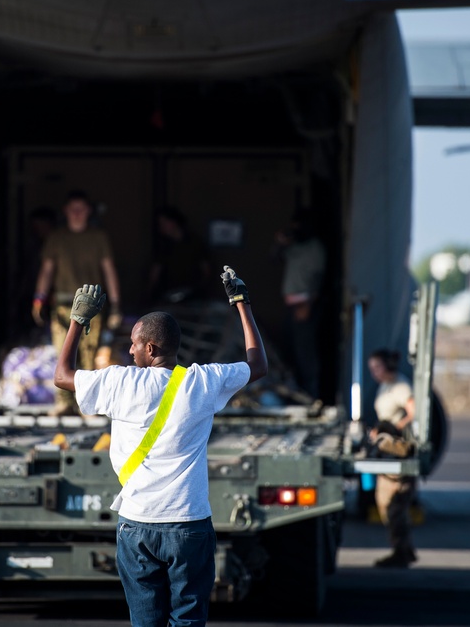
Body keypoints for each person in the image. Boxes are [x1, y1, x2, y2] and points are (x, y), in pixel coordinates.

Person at [53, 266, 267, 627]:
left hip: (137, 526)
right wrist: (241, 303)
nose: (129, 349)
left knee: (145, 621)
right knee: (188, 620)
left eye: (134, 343)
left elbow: (61, 377)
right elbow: (257, 364)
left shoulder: (119, 383)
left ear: (150, 348)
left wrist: (77, 321)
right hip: (189, 524)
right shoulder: (203, 381)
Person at [33, 190, 122, 415]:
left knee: (88, 355)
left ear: (88, 211)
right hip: (63, 305)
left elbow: (109, 270)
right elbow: (47, 270)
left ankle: (86, 405)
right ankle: (63, 402)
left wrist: (115, 305)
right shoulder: (57, 237)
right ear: (66, 211)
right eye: (73, 209)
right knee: (63, 352)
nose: (77, 214)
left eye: (81, 209)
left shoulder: (98, 237)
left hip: (92, 305)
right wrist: (39, 298)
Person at [367, 348, 418, 568]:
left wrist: (393, 429)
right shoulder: (387, 385)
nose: (374, 373)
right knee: (385, 503)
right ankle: (404, 549)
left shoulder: (400, 386)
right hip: (387, 450)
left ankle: (401, 551)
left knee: (394, 505)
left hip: (397, 450)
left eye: (377, 367)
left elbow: (414, 412)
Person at [273, 210, 325, 398]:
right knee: (289, 349)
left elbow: (319, 277)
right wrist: (280, 243)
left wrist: (309, 303)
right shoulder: (294, 247)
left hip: (305, 304)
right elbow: (274, 258)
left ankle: (312, 394)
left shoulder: (315, 248)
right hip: (290, 304)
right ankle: (296, 393)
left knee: (305, 351)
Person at [147, 206, 211, 304]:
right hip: (168, 295)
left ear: (173, 222)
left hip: (193, 295)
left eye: (164, 223)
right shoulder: (164, 246)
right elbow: (155, 273)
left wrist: (202, 290)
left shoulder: (195, 242)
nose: (162, 227)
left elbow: (206, 269)